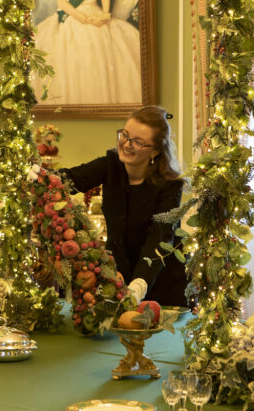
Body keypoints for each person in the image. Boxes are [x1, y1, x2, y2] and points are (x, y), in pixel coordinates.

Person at [62, 106, 188, 307]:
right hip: (120, 281)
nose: (127, 144)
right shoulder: (111, 165)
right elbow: (71, 178)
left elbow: (159, 238)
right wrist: (37, 175)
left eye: (138, 141)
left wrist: (139, 285)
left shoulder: (170, 185)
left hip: (163, 289)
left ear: (155, 150)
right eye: (125, 135)